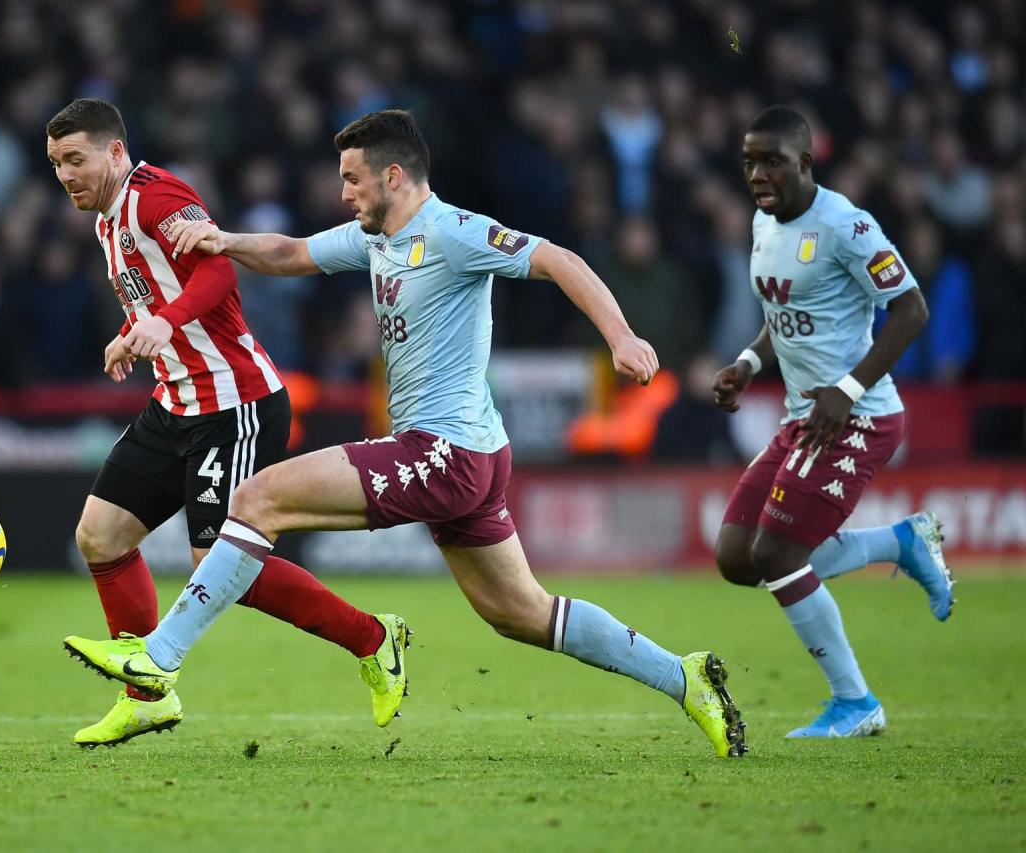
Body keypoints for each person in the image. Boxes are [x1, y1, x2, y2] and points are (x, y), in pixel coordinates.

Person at [64, 110, 748, 758]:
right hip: (471, 455)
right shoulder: (375, 236)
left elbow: (558, 258)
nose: (343, 192)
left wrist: (622, 336)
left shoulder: (453, 231)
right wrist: (226, 241)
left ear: (395, 176)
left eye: (353, 178)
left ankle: (159, 658)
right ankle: (686, 677)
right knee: (522, 612)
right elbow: (293, 253)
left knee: (259, 499)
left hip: (444, 450)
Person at [45, 98, 409, 747]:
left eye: (77, 159)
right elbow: (163, 295)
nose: (66, 174)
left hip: (233, 403)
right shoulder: (107, 222)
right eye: (56, 164)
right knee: (100, 535)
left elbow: (215, 268)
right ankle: (147, 696)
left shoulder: (157, 196)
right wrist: (134, 331)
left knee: (218, 565)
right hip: (175, 402)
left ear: (116, 153)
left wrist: (163, 320)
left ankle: (375, 639)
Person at [710, 106, 955, 739]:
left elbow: (911, 309)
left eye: (771, 161)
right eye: (748, 162)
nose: (758, 174)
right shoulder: (763, 224)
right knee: (738, 556)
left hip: (859, 417)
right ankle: (900, 543)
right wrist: (745, 361)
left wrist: (847, 390)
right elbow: (785, 312)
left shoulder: (848, 226)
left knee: (779, 552)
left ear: (805, 163)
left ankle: (856, 703)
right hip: (806, 419)